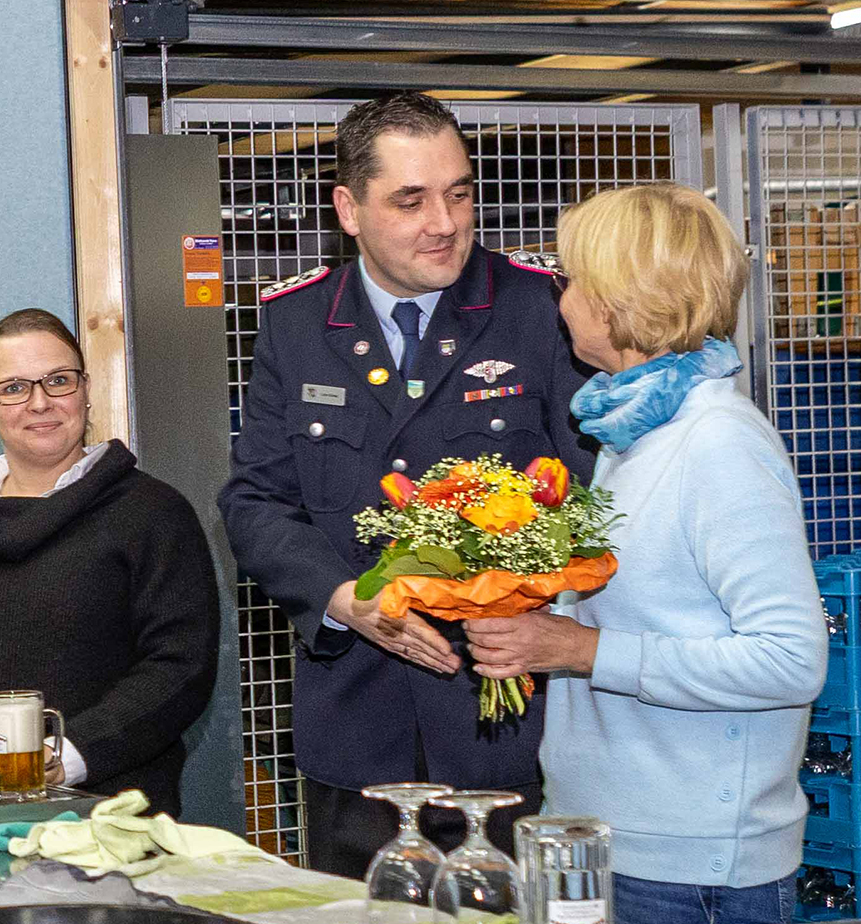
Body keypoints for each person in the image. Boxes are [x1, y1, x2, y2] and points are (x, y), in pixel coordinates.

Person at [218, 91, 596, 878]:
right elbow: (255, 502)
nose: (445, 222)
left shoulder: (538, 309)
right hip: (356, 732)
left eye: (459, 194)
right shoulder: (297, 322)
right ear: (348, 209)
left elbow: (590, 493)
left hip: (504, 730)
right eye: (411, 200)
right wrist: (345, 599)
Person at [466, 183, 827, 924]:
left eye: (572, 281)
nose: (561, 299)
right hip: (596, 835)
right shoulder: (635, 431)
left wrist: (580, 649)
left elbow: (791, 661)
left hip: (687, 871)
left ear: (619, 299)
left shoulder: (718, 443)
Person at [0, 308, 219, 816]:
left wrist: (65, 755)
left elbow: (180, 668)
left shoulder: (153, 514)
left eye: (58, 381)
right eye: (13, 388)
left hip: (114, 818)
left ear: (86, 389)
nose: (40, 402)